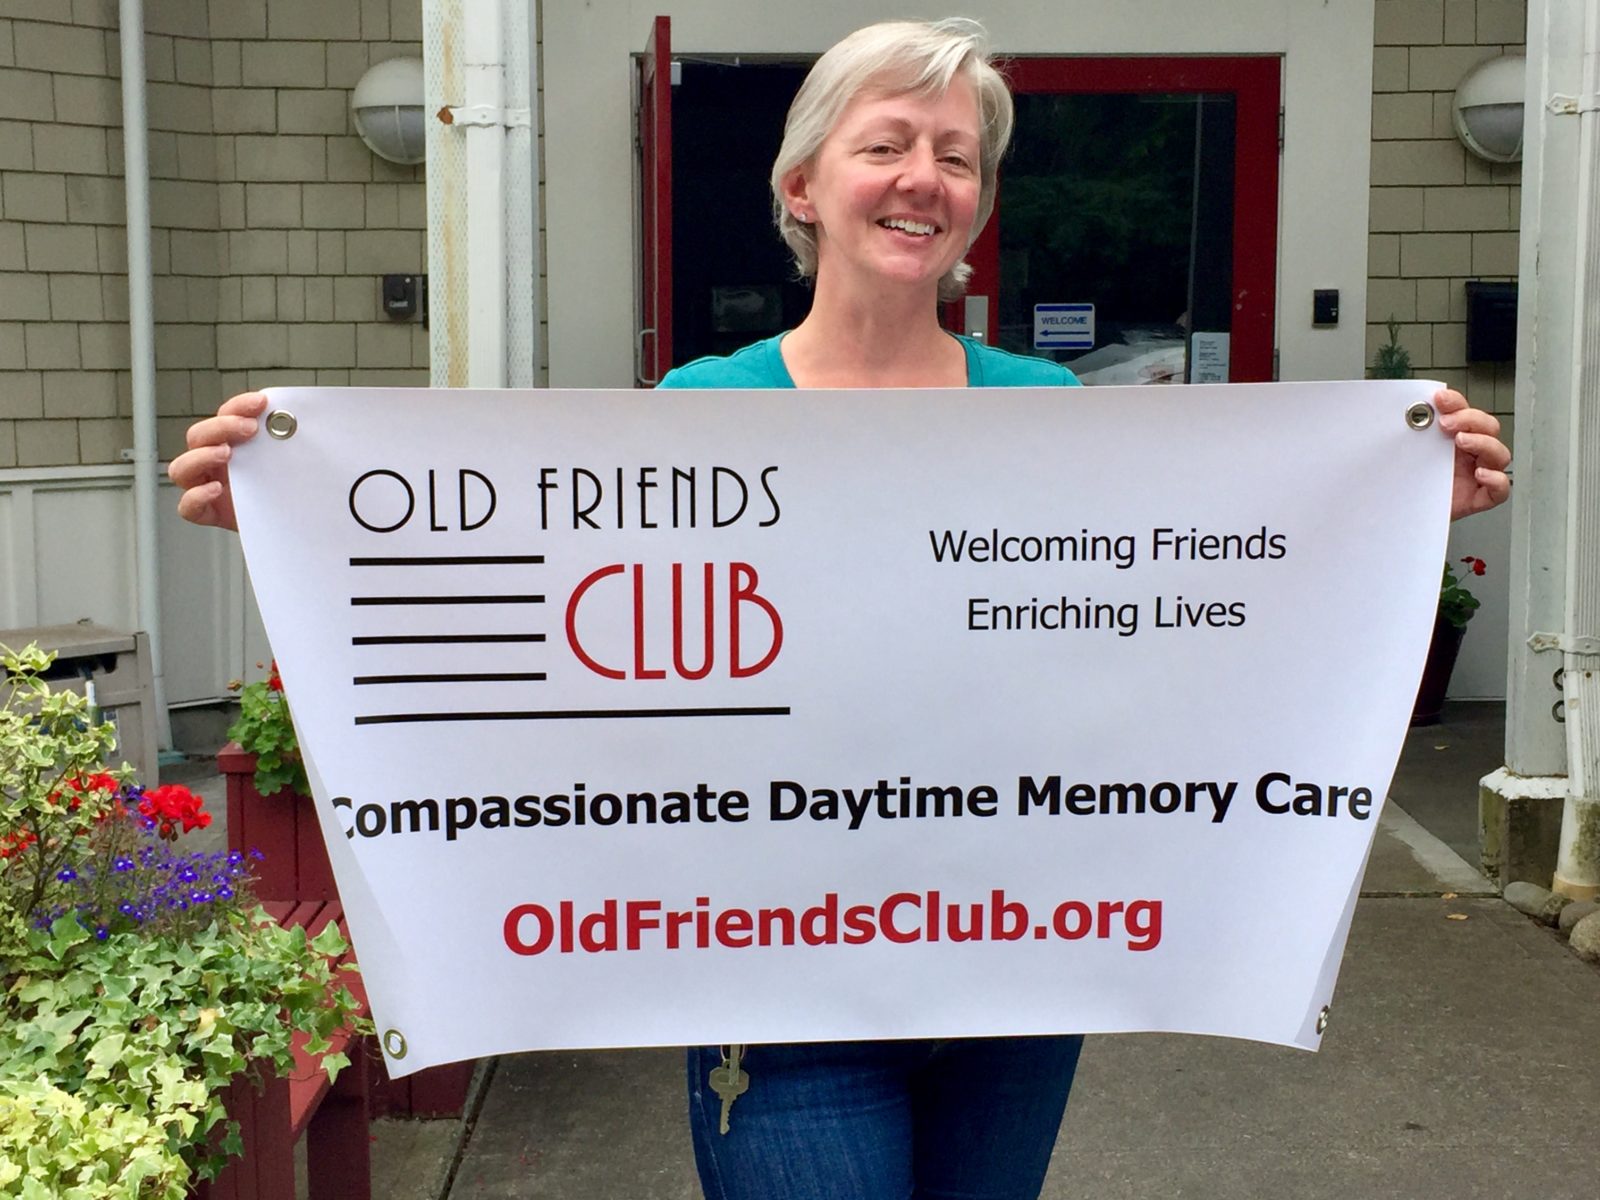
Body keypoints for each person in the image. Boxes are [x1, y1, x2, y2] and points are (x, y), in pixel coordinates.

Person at [170, 18, 1511, 1199]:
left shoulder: (1053, 420)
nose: (925, 177)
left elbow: (1179, 647)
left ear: (978, 205)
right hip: (774, 980)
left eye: (958, 154)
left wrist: (1384, 524)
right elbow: (564, 670)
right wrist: (307, 523)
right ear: (803, 185)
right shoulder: (696, 415)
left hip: (1018, 971)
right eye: (889, 144)